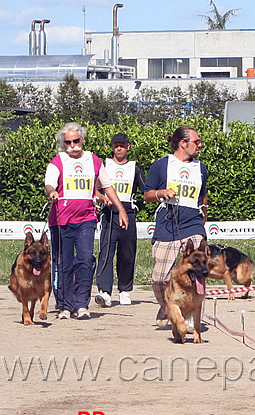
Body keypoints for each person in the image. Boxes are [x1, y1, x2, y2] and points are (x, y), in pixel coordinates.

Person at [45, 122, 129, 320]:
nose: (73, 145)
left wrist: (121, 209)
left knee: (84, 260)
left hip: (86, 219)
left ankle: (82, 304)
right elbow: (49, 184)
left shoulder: (94, 160)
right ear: (63, 144)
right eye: (68, 142)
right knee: (64, 263)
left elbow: (107, 187)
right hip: (61, 220)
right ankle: (65, 306)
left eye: (76, 140)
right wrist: (52, 193)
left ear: (82, 139)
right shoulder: (58, 161)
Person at [143, 126, 208, 326]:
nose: (200, 145)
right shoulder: (161, 166)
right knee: (160, 279)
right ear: (183, 143)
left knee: (197, 272)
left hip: (193, 225)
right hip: (167, 226)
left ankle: (188, 317)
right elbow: (147, 195)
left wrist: (203, 218)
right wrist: (161, 193)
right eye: (196, 142)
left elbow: (203, 196)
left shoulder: (201, 168)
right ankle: (168, 307)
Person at [94, 133, 147, 307]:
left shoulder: (135, 167)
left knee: (127, 253)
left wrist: (138, 206)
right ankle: (104, 292)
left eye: (122, 145)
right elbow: (95, 190)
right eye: (116, 145)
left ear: (128, 147)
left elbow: (145, 192)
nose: (119, 148)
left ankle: (124, 290)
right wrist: (103, 199)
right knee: (106, 252)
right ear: (112, 147)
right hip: (109, 214)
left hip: (128, 214)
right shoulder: (104, 165)